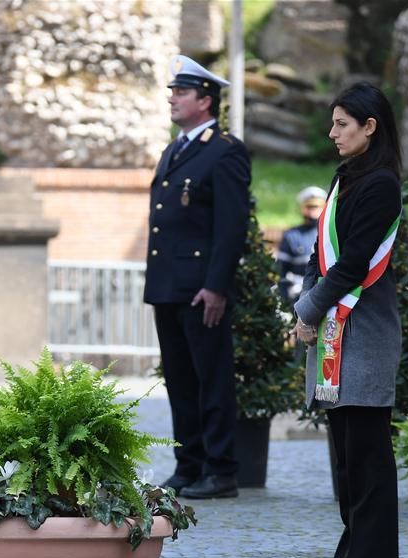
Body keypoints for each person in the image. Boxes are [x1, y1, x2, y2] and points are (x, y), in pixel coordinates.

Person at [294, 82, 402, 558]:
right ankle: (352, 551)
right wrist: (308, 306)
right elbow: (323, 255)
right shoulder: (346, 177)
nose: (332, 132)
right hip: (336, 326)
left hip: (364, 331)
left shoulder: (380, 184)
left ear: (369, 127)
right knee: (345, 456)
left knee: (367, 452)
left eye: (342, 123)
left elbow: (355, 263)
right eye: (333, 122)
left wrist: (307, 310)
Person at [143, 55, 250, 500]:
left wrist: (217, 285)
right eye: (172, 91)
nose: (172, 98)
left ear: (205, 101)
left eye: (181, 92)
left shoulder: (225, 151)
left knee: (211, 378)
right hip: (170, 284)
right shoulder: (176, 148)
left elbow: (230, 226)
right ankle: (189, 464)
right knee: (182, 381)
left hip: (201, 287)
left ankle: (221, 468)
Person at [276, 186, 327, 306]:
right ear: (303, 208)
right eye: (309, 207)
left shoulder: (328, 235)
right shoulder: (292, 236)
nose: (312, 212)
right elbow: (281, 271)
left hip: (325, 293)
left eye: (316, 207)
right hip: (297, 295)